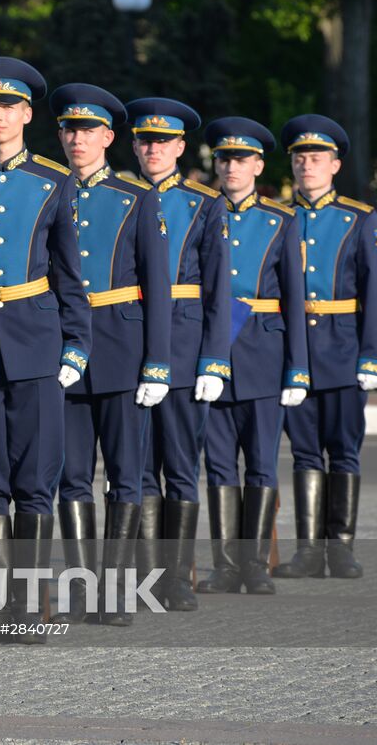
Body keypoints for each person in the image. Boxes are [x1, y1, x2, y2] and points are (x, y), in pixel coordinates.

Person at [0, 57, 89, 639]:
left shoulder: (55, 182)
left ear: (28, 114)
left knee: (35, 479)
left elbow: (69, 273)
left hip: (36, 343)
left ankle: (28, 606)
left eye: (8, 105)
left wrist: (75, 344)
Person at [49, 83, 171, 627]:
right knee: (72, 475)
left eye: (88, 130)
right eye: (69, 129)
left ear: (108, 137)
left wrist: (158, 361)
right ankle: (81, 588)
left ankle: (116, 590)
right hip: (60, 347)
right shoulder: (48, 191)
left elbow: (158, 286)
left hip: (121, 345)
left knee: (126, 474)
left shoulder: (135, 198)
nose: (77, 139)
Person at [126, 96, 231, 611]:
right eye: (145, 141)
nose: (153, 149)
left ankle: (178, 577)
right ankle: (149, 580)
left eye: (162, 142)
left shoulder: (203, 204)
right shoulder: (121, 197)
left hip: (186, 349)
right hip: (131, 342)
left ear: (180, 147)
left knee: (181, 466)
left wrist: (215, 359)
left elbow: (217, 292)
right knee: (139, 466)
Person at [196, 117, 307, 595]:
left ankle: (255, 564)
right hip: (213, 351)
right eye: (224, 158)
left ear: (259, 165)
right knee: (219, 464)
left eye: (241, 159)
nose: (231, 167)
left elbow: (295, 298)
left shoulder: (281, 221)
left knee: (261, 462)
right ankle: (225, 565)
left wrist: (297, 367)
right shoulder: (203, 212)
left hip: (263, 348)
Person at [275, 115, 377, 579]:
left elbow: (375, 289)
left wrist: (374, 354)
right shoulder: (279, 216)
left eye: (317, 158)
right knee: (304, 451)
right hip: (293, 349)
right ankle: (307, 550)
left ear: (335, 164)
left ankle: (340, 547)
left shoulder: (358, 219)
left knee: (343, 449)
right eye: (300, 158)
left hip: (342, 346)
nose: (307, 165)